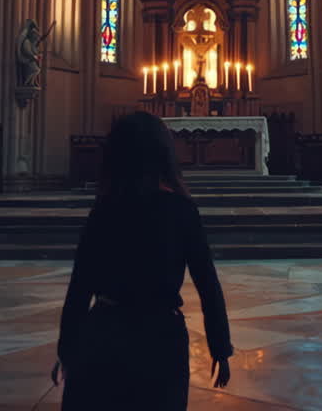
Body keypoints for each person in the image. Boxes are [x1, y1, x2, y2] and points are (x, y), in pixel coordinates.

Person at [52, 112, 233, 409]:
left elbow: (80, 287)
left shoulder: (105, 210)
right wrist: (220, 348)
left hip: (106, 331)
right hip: (161, 337)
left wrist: (67, 351)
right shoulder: (181, 209)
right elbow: (207, 283)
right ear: (164, 153)